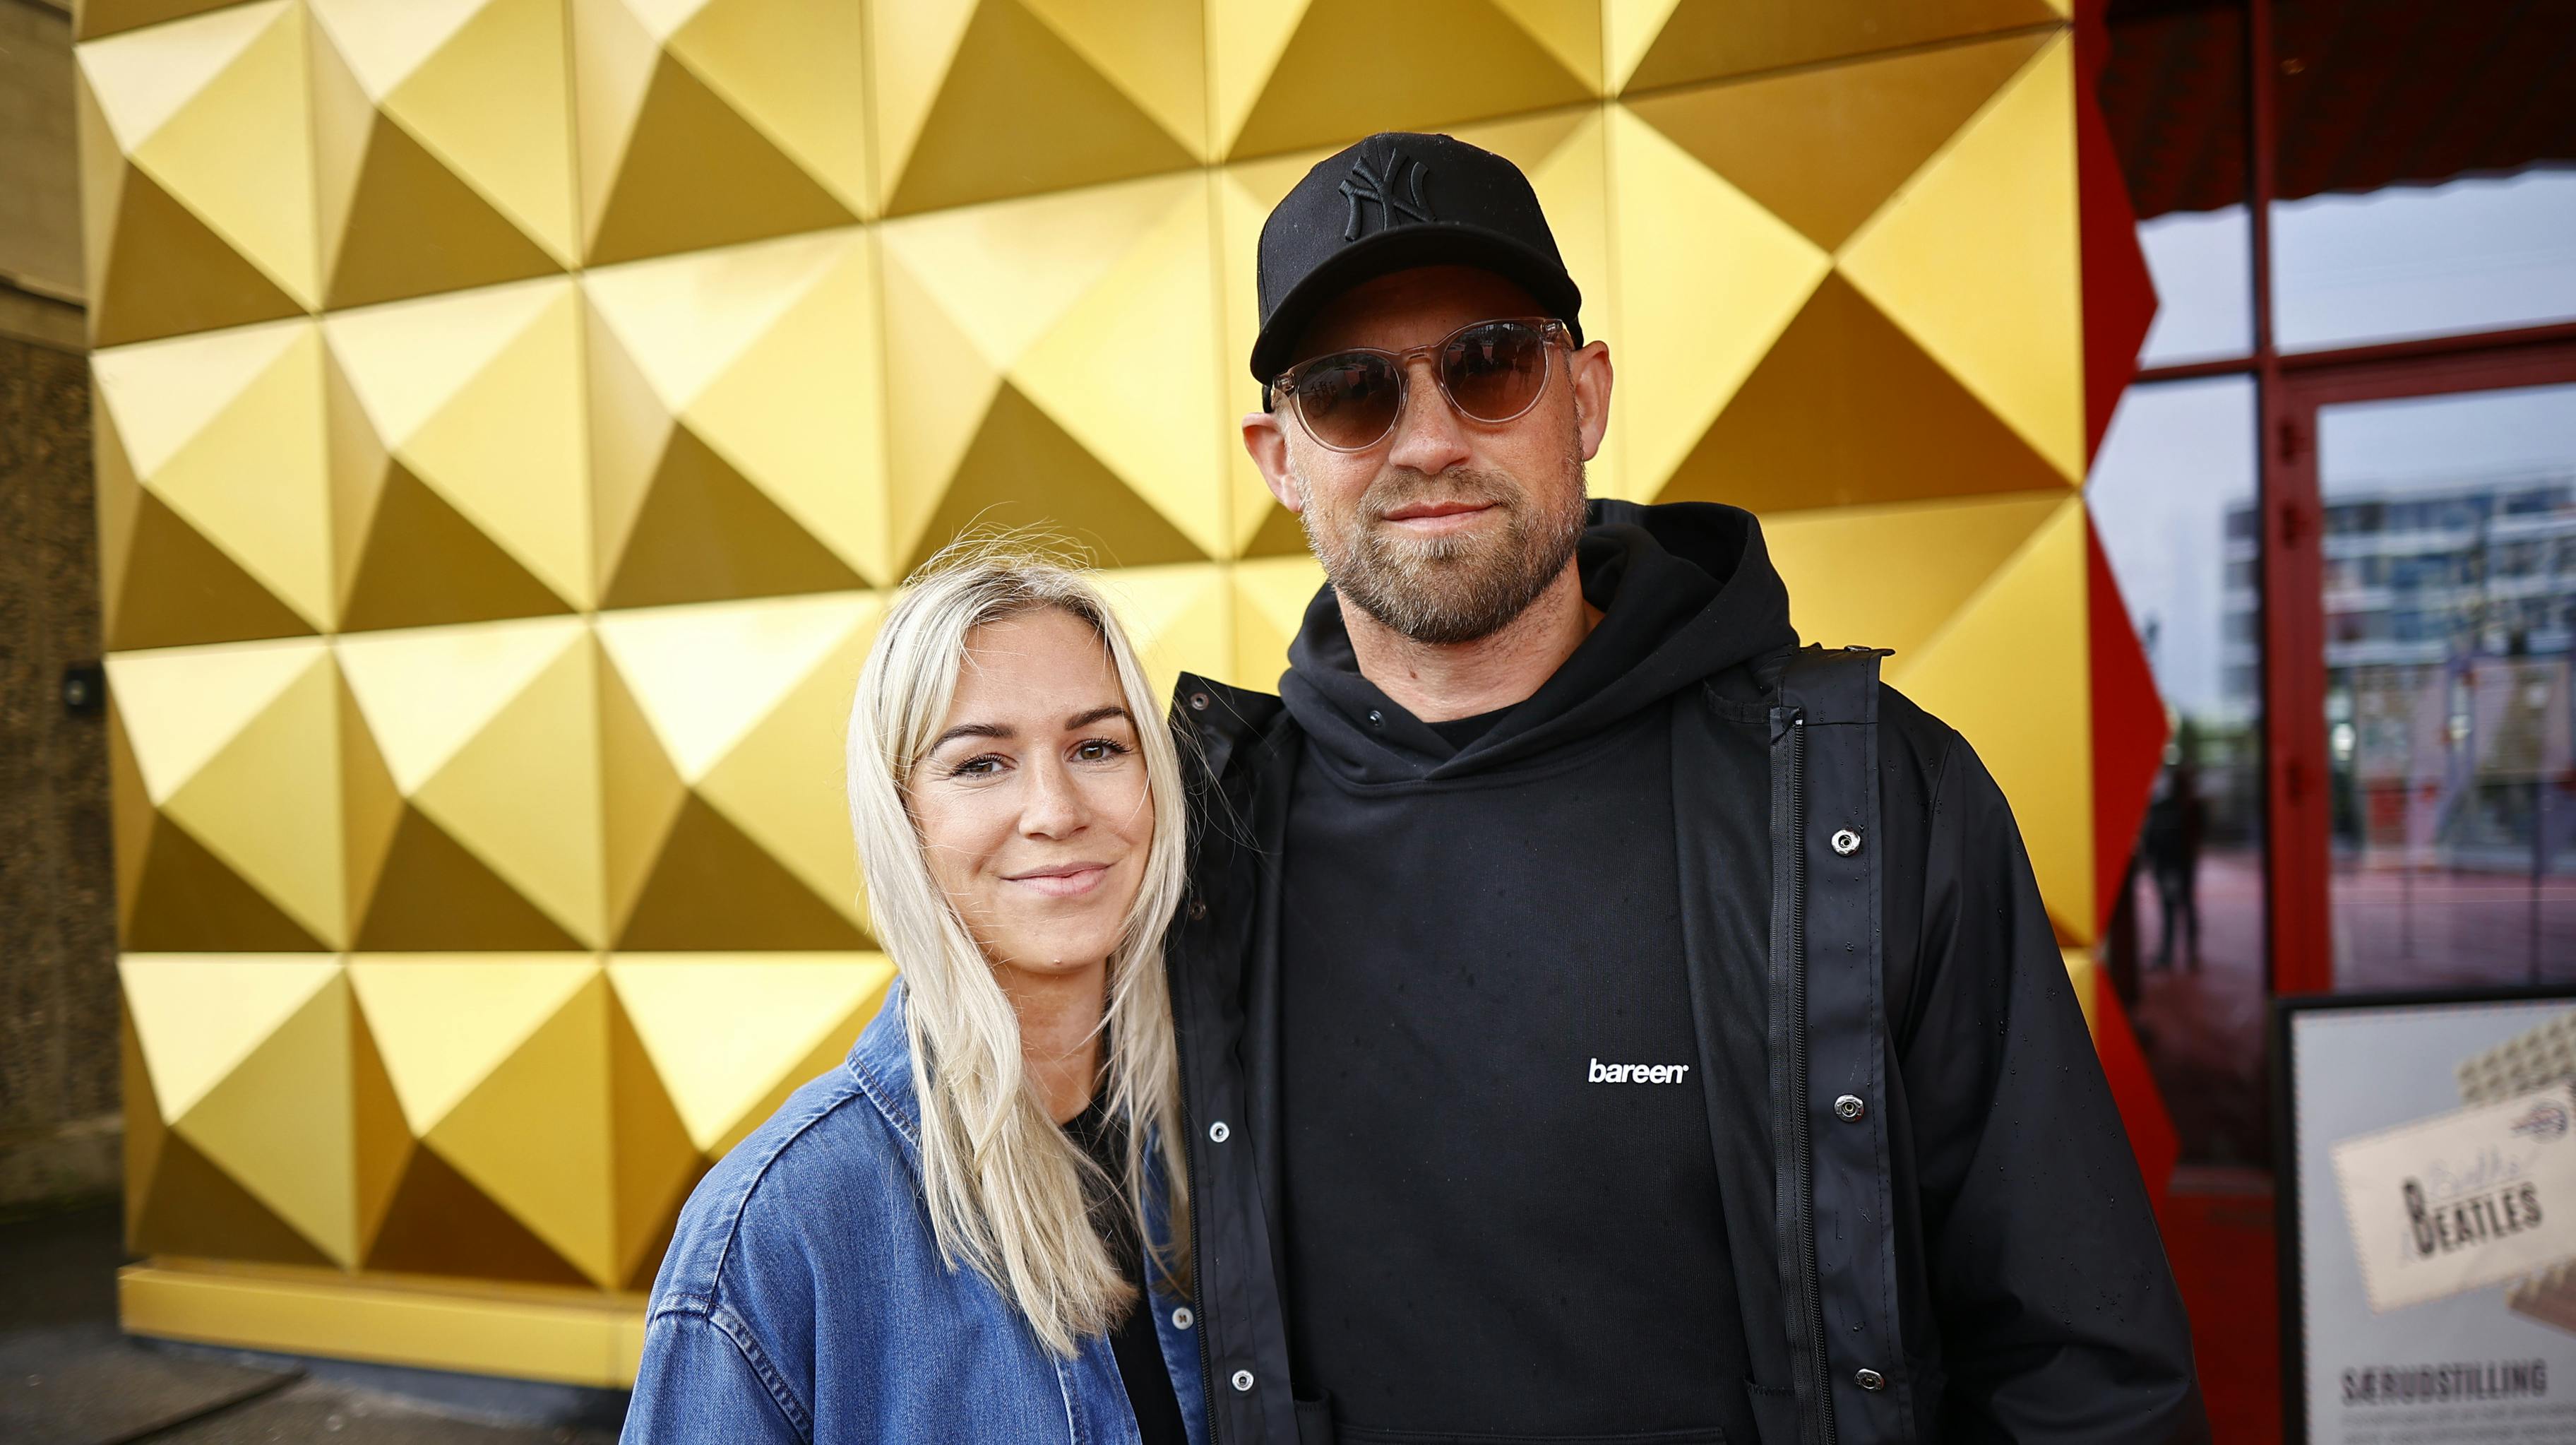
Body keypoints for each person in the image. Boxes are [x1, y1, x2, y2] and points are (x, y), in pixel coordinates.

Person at [1163, 131, 2208, 1444]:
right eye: (1351, 393)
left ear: (1584, 397)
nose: (1426, 440)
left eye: (1489, 365)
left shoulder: (1868, 799)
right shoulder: (1193, 856)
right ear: (1278, 458)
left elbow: (2082, 1370)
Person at [624, 545, 1206, 1444]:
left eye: (1096, 747)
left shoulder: (1219, 1138)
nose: (1054, 810)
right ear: (904, 816)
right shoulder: (780, 1231)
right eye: (981, 764)